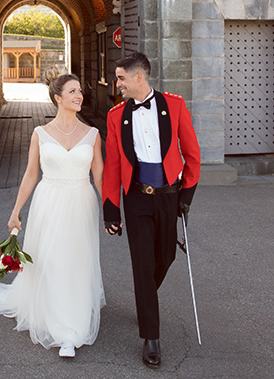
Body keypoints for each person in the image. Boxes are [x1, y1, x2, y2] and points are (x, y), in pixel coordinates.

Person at [0, 70, 106, 359]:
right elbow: (30, 175)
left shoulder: (93, 135)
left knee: (76, 259)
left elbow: (99, 177)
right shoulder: (40, 134)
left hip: (81, 201)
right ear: (57, 98)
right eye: (72, 91)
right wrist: (15, 211)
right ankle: (65, 332)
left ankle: (74, 313)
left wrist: (112, 210)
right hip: (48, 201)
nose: (79, 96)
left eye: (80, 91)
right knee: (52, 259)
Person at [102, 52, 200, 368]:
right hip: (137, 198)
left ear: (138, 77)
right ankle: (151, 337)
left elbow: (192, 154)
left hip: (169, 195)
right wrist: (111, 210)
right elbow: (114, 166)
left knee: (166, 256)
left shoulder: (174, 105)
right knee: (143, 264)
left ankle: (147, 298)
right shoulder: (116, 116)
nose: (118, 85)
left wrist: (186, 197)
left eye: (121, 78)